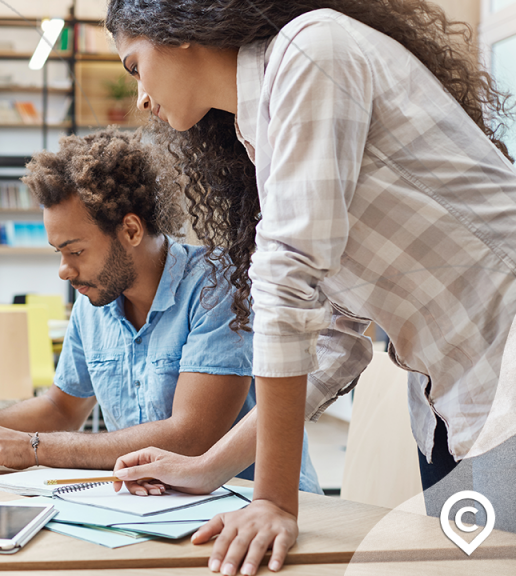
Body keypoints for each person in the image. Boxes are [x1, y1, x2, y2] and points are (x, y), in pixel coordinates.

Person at [104, 1, 516, 574]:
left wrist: (272, 499)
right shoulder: (264, 128)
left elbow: (287, 277)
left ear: (176, 33)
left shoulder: (309, 50)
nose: (141, 96)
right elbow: (333, 339)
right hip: (451, 400)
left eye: (133, 65)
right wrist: (210, 467)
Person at [0, 128, 321, 494]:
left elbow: (191, 436)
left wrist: (33, 447)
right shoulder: (96, 299)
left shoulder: (215, 285)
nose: (65, 270)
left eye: (75, 251)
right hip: (156, 505)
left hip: (248, 501)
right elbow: (62, 408)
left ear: (131, 230)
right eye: (59, 253)